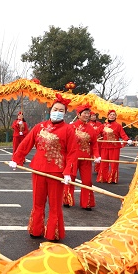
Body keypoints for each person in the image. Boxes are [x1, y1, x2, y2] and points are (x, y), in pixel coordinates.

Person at [9, 93, 78, 241]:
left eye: (61, 110)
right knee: (38, 202)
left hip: (57, 172)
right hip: (38, 170)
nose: (57, 112)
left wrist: (68, 172)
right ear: (50, 110)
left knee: (54, 205)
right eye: (55, 109)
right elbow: (26, 143)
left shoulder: (68, 130)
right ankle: (36, 230)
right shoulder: (39, 127)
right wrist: (16, 158)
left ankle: (53, 233)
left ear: (65, 113)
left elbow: (73, 152)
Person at [63, 105, 100, 210]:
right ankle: (67, 200)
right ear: (78, 114)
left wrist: (96, 155)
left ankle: (86, 203)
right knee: (70, 179)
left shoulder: (91, 129)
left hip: (86, 159)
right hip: (73, 158)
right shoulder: (71, 127)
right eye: (85, 113)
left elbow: (94, 144)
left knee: (87, 181)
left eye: (88, 113)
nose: (87, 115)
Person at [96, 110, 132, 184]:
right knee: (103, 163)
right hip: (105, 146)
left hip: (115, 147)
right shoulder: (103, 126)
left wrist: (127, 140)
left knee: (114, 163)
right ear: (108, 116)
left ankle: (112, 179)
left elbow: (123, 134)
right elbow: (95, 133)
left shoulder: (118, 126)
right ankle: (103, 178)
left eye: (113, 115)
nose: (112, 116)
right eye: (111, 114)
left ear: (115, 116)